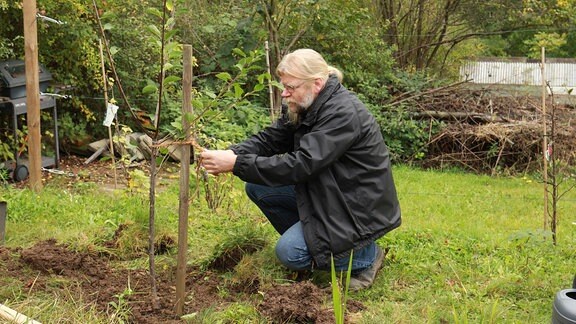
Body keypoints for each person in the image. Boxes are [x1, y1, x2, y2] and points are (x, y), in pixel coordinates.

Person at [200, 48, 401, 290]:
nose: (284, 94)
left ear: (316, 83)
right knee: (258, 187)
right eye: (284, 86)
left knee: (290, 254)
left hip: (354, 205)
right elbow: (271, 139)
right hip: (328, 192)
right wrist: (234, 153)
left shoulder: (343, 113)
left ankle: (366, 257)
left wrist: (236, 165)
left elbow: (301, 165)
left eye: (290, 87)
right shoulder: (305, 103)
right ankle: (319, 245)